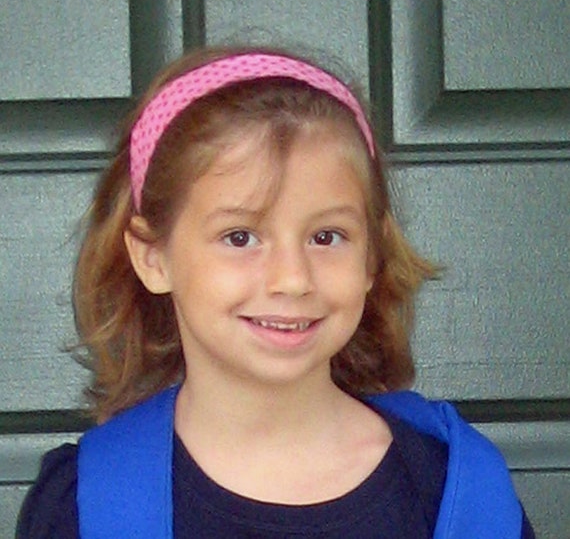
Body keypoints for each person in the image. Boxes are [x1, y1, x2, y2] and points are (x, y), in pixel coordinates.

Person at [17, 46, 534, 538]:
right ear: (153, 257)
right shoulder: (89, 505)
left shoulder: (458, 493)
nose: (292, 279)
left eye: (326, 237)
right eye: (240, 237)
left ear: (372, 255)